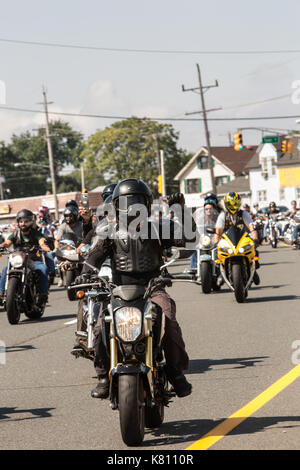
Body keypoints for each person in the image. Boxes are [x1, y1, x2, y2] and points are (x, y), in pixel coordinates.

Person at [84, 178, 192, 400]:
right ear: (116, 205)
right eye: (126, 202)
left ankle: (175, 373)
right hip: (119, 292)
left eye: (137, 201)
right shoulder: (108, 232)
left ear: (147, 204)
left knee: (169, 322)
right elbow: (93, 257)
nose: (132, 207)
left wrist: (181, 211)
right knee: (99, 328)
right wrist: (85, 272)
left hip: (152, 289)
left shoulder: (158, 229)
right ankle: (104, 377)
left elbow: (188, 242)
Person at [0, 209, 51, 306]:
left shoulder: (36, 233)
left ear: (31, 222)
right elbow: (7, 242)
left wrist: (44, 246)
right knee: (5, 270)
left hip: (34, 261)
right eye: (21, 221)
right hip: (18, 261)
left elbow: (41, 241)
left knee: (43, 269)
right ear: (18, 222)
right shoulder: (15, 234)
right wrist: (1, 246)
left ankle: (42, 294)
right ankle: (1, 293)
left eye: (26, 221)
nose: (23, 224)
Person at [214, 192, 260, 285]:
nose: (232, 206)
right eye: (230, 204)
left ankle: (253, 269)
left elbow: (251, 226)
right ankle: (220, 273)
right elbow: (218, 231)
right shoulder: (223, 215)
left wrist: (255, 238)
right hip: (227, 240)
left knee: (253, 249)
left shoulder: (244, 214)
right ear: (226, 204)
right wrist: (216, 242)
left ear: (239, 203)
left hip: (243, 238)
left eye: (235, 203)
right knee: (217, 253)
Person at [190, 198, 219, 271]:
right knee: (195, 248)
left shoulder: (218, 218)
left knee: (220, 249)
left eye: (210, 208)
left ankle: (219, 266)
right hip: (204, 239)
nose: (208, 210)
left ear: (214, 209)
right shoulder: (201, 218)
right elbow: (195, 227)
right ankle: (194, 267)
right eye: (206, 209)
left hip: (214, 239)